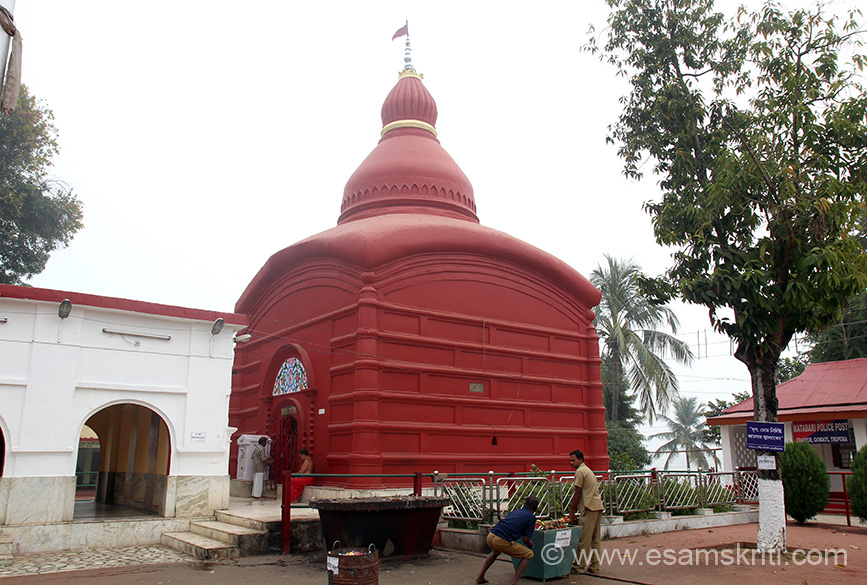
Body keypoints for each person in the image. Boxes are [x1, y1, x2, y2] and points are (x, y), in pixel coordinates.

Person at [476, 496, 539, 585]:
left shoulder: (516, 511)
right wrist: (530, 544)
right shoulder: (531, 518)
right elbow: (525, 539)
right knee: (529, 554)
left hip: (491, 535)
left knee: (495, 552)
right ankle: (514, 582)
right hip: (501, 540)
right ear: (536, 509)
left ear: (524, 504)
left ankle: (480, 577)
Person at [568, 449, 604, 575]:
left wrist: (572, 512)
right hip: (597, 506)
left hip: (589, 508)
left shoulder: (580, 471)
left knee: (584, 539)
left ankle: (579, 567)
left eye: (573, 460)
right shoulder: (587, 470)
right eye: (570, 460)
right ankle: (594, 566)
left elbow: (577, 492)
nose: (571, 463)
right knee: (595, 539)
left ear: (580, 460)